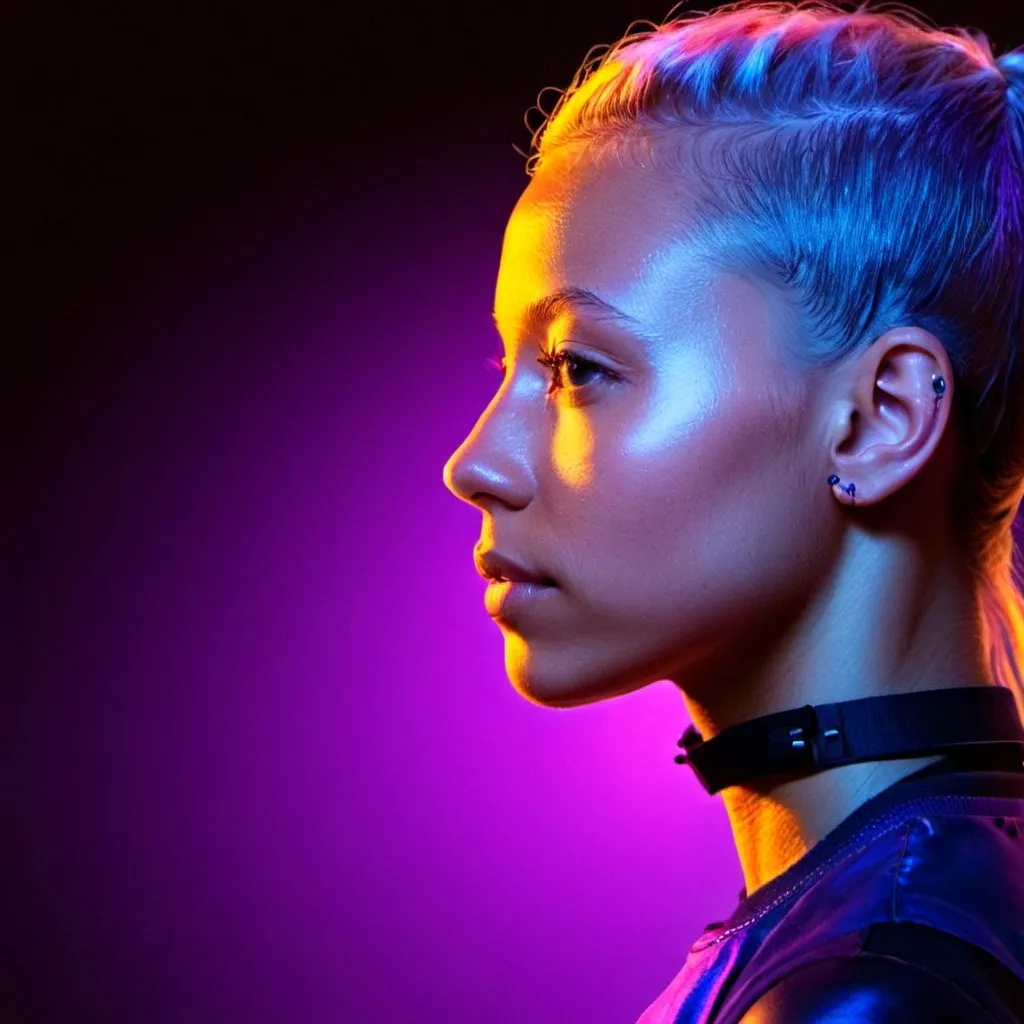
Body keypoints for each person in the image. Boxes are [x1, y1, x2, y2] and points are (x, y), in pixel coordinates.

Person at [442, 1, 1024, 1020]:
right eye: (511, 366)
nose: (474, 463)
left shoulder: (872, 989)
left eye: (579, 367)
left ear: (877, 419)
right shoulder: (896, 922)